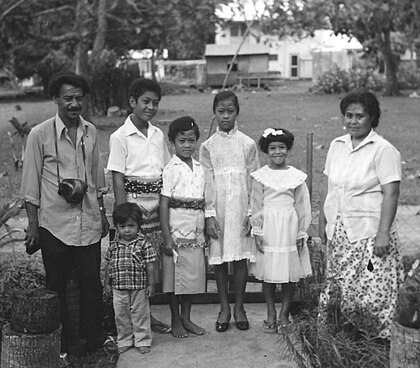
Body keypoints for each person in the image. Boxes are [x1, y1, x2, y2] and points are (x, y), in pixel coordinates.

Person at [20, 72, 109, 358]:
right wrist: (33, 225)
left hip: (89, 222)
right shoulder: (40, 134)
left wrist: (103, 215)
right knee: (57, 285)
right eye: (68, 98)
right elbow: (30, 185)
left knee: (90, 285)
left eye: (79, 98)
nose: (74, 104)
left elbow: (96, 180)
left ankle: (91, 343)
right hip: (54, 225)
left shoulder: (91, 132)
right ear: (56, 99)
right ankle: (62, 346)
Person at [318, 90, 404, 339]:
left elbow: (391, 194)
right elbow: (331, 187)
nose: (353, 121)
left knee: (371, 289)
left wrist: (383, 234)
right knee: (341, 286)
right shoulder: (337, 146)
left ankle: (375, 342)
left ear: (372, 118)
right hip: (340, 231)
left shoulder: (383, 150)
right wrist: (324, 221)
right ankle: (344, 337)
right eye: (348, 115)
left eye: (360, 116)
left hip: (369, 233)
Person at [107, 78, 171, 334]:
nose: (151, 107)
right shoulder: (119, 136)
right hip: (133, 212)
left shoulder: (157, 135)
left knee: (150, 264)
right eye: (146, 101)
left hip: (156, 209)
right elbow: (118, 177)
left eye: (155, 103)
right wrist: (125, 218)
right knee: (133, 264)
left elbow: (165, 171)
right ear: (132, 102)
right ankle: (132, 320)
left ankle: (147, 315)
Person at [199, 91, 259, 332]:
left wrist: (251, 213)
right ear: (214, 112)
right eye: (221, 111)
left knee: (241, 258)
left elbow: (254, 180)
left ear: (237, 112)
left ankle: (240, 307)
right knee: (220, 260)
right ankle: (224, 307)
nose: (225, 116)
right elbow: (206, 181)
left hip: (241, 209)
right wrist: (210, 214)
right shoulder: (207, 147)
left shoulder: (247, 143)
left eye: (230, 111)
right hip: (219, 209)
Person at [250, 128, 312, 333]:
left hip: (289, 227)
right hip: (268, 226)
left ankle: (285, 313)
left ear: (288, 149)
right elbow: (256, 204)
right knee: (268, 272)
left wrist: (301, 231)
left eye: (282, 147)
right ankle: (270, 313)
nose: (277, 152)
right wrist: (257, 230)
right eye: (273, 148)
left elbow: (302, 205)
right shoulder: (260, 176)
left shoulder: (296, 176)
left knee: (288, 273)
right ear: (266, 151)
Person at [160, 116, 206, 338]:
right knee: (174, 277)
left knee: (191, 275)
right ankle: (175, 318)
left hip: (195, 231)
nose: (187, 145)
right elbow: (164, 203)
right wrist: (167, 237)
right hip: (176, 230)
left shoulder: (199, 168)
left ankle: (187, 318)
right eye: (181, 141)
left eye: (191, 140)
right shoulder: (171, 169)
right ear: (173, 143)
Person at [104, 202, 157, 354]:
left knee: (140, 314)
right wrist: (107, 282)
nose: (127, 230)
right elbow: (109, 265)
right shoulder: (114, 246)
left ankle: (142, 340)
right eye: (122, 226)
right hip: (119, 288)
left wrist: (151, 285)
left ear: (138, 225)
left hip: (138, 288)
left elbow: (150, 265)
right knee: (121, 315)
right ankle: (125, 340)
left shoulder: (143, 244)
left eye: (131, 226)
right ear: (117, 227)